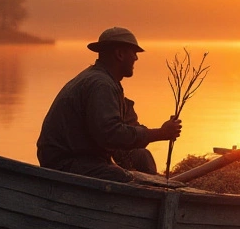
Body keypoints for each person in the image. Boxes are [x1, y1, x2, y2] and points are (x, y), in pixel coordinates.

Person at [37, 27, 182, 182]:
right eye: (133, 52)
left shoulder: (105, 81)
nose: (135, 58)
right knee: (119, 176)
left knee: (141, 156)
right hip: (64, 163)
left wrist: (153, 134)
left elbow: (123, 127)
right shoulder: (101, 85)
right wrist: (160, 133)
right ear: (119, 54)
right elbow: (111, 135)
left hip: (83, 159)